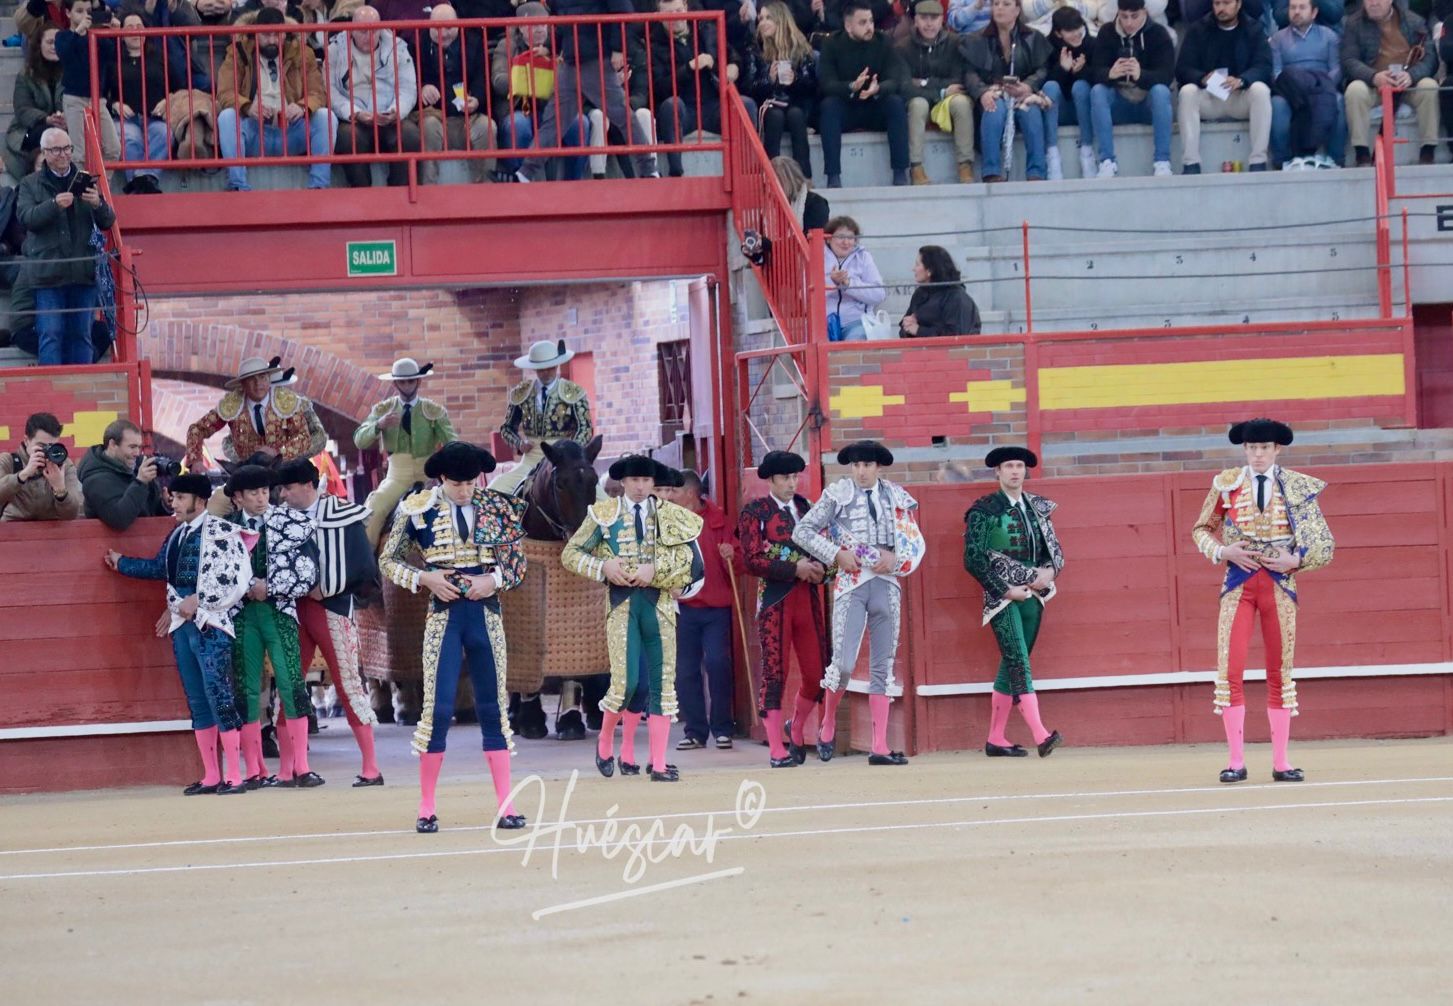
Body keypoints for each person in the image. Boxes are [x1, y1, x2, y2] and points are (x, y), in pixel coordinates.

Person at [380, 442, 530, 833]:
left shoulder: (497, 506)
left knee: (494, 708)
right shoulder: (418, 509)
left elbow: (516, 565)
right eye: (457, 483)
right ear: (441, 478)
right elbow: (388, 560)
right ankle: (426, 807)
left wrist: (491, 579)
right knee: (438, 710)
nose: (465, 490)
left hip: (485, 613)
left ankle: (506, 804)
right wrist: (424, 577)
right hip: (444, 614)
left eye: (470, 482)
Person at [1191, 419, 1334, 784]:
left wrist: (1296, 560)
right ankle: (1236, 761)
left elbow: (1323, 543)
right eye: (1251, 448)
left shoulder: (1296, 486)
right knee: (1230, 671)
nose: (1257, 454)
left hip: (1279, 586)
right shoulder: (1226, 484)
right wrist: (1223, 550)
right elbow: (1201, 529)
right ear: (1244, 450)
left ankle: (1282, 762)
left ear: (1276, 450)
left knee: (1279, 673)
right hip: (1238, 585)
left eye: (1264, 448)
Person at [104, 473, 252, 796]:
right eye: (174, 497)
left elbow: (240, 577)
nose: (174, 503)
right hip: (183, 627)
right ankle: (212, 775)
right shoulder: (177, 535)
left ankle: (235, 777)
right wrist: (121, 564)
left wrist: (199, 599)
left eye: (181, 498)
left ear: (200, 501)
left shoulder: (223, 533)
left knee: (220, 697)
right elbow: (160, 568)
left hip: (211, 625)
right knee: (198, 701)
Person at [562, 453, 704, 782]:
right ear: (622, 483)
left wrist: (655, 570)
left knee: (662, 686)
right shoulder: (604, 515)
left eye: (645, 481)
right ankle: (604, 741)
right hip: (622, 605)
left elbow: (688, 562)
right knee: (626, 684)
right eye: (634, 481)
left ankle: (657, 762)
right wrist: (603, 567)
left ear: (653, 483)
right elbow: (571, 553)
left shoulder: (671, 516)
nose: (640, 487)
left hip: (660, 606)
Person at [792, 440, 925, 766]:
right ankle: (828, 721)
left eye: (867, 465)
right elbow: (803, 531)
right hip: (852, 584)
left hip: (887, 583)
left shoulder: (896, 497)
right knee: (845, 665)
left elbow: (913, 541)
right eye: (856, 466)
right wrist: (836, 553)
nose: (861, 471)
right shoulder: (838, 495)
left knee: (883, 666)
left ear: (878, 467)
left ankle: (879, 746)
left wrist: (896, 559)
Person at [274, 457, 385, 786]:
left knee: (349, 683)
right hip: (294, 610)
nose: (282, 495)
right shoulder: (282, 519)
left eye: (288, 488)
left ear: (308, 485)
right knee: (288, 683)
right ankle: (288, 768)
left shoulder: (343, 514)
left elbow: (364, 569)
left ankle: (371, 768)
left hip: (332, 608)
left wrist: (332, 587)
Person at [222, 464, 322, 788]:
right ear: (238, 497)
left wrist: (272, 586)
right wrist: (246, 586)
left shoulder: (288, 522)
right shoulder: (225, 530)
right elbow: (216, 576)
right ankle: (254, 769)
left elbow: (308, 571)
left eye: (265, 491)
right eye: (254, 492)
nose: (262, 497)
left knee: (292, 684)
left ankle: (301, 768)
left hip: (278, 610)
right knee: (247, 689)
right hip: (242, 615)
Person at [962, 446, 1065, 759]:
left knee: (1012, 661)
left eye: (1020, 466)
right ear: (998, 472)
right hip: (1002, 599)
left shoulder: (1037, 507)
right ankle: (1041, 734)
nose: (1015, 471)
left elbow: (1053, 552)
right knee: (1019, 659)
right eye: (1009, 466)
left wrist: (1048, 572)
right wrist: (1005, 590)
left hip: (1034, 596)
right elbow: (973, 559)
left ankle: (995, 738)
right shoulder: (983, 510)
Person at [737, 450, 832, 765]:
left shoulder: (806, 507)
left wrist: (820, 567)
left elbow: (823, 544)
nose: (792, 483)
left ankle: (798, 725)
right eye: (785, 478)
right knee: (775, 671)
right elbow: (751, 560)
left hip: (808, 599)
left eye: (795, 477)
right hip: (775, 600)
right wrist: (795, 569)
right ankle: (776, 748)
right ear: (771, 480)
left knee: (817, 672)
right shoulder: (755, 512)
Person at [513, 0, 660, 183]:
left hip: (595, 59)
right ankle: (524, 174)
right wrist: (550, 47)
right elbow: (561, 22)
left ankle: (649, 169)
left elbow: (623, 14)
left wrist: (618, 49)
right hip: (571, 61)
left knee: (621, 116)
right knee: (555, 120)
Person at [15, 127, 115, 367]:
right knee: (51, 335)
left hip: (82, 273)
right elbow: (25, 218)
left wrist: (97, 203)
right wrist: (53, 205)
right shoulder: (30, 183)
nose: (63, 154)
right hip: (48, 275)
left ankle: (81, 390)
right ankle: (51, 394)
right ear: (46, 153)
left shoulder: (85, 179)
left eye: (67, 148)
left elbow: (108, 220)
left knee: (82, 334)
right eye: (57, 150)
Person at [215, 7, 337, 192]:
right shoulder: (237, 52)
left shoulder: (304, 53)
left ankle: (319, 186)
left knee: (326, 117)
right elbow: (225, 92)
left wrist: (302, 107)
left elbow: (318, 93)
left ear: (284, 34)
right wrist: (247, 107)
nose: (272, 41)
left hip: (291, 130)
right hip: (255, 131)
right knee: (227, 117)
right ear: (255, 33)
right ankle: (237, 186)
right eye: (266, 35)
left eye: (277, 35)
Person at [184, 356, 328, 504]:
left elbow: (304, 437)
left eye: (262, 377)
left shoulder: (286, 400)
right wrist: (195, 459)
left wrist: (278, 451)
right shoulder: (233, 404)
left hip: (284, 477)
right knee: (217, 508)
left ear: (269, 378)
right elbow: (197, 429)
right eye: (252, 379)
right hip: (247, 480)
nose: (258, 383)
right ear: (242, 384)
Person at [638, 0, 755, 179]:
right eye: (668, 15)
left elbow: (732, 54)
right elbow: (658, 88)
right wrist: (689, 68)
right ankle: (676, 173)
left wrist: (734, 65)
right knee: (671, 105)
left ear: (686, 7)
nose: (675, 18)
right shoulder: (654, 45)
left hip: (714, 106)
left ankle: (747, 170)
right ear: (658, 17)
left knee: (746, 104)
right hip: (684, 112)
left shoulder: (706, 30)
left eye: (678, 11)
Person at [673, 469, 742, 753]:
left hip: (715, 608)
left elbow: (739, 566)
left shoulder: (717, 521)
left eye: (675, 491)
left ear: (689, 494)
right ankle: (695, 731)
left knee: (717, 664)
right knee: (685, 671)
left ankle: (723, 728)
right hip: (684, 609)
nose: (670, 496)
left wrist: (732, 556)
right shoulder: (670, 522)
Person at [353, 357, 456, 546]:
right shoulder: (383, 409)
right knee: (373, 510)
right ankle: (366, 570)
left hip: (429, 474)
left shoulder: (433, 410)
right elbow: (360, 440)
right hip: (397, 477)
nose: (407, 385)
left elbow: (452, 442)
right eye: (402, 381)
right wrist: (379, 425)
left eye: (411, 381)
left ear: (419, 381)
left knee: (462, 506)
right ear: (395, 383)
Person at [489, 1, 590, 183]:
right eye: (534, 25)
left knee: (580, 122)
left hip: (554, 109)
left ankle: (573, 183)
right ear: (520, 27)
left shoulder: (558, 45)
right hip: (521, 109)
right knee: (517, 125)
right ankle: (522, 184)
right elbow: (498, 80)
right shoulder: (507, 46)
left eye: (544, 24)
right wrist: (529, 79)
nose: (540, 30)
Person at [817, 0, 910, 188]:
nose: (869, 27)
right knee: (829, 106)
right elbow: (827, 84)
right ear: (848, 26)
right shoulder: (832, 44)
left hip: (875, 104)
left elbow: (895, 77)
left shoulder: (883, 41)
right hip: (847, 105)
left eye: (871, 21)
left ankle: (900, 173)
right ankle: (833, 176)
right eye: (863, 23)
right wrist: (851, 86)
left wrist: (879, 89)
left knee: (895, 103)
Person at [1176, 0, 1273, 174]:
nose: (1221, 8)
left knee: (1261, 91)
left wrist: (1242, 80)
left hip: (1240, 96)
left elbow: (1264, 67)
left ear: (1238, 4)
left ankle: (1258, 161)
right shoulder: (1198, 29)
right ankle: (1191, 163)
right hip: (1210, 97)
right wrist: (1202, 78)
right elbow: (1183, 68)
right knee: (1187, 92)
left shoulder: (1254, 29)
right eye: (1217, 3)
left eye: (1227, 3)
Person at [329, 5, 421, 187]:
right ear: (352, 30)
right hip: (354, 119)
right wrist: (354, 113)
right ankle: (362, 194)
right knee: (348, 138)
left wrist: (396, 111)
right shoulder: (335, 50)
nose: (368, 36)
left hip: (390, 115)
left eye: (374, 31)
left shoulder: (398, 48)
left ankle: (399, 193)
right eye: (362, 31)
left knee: (409, 135)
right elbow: (331, 91)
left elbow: (408, 88)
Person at [1341, 0, 1439, 168]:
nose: (1373, 3)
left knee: (1429, 86)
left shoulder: (1414, 21)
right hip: (1373, 84)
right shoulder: (1353, 23)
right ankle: (1362, 153)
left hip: (1407, 84)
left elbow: (1430, 59)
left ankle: (1428, 150)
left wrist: (1411, 75)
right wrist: (1374, 76)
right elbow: (1349, 60)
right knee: (1354, 90)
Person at [963, 0, 1052, 184]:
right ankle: (991, 171)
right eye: (996, 4)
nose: (999, 8)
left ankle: (1036, 173)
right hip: (993, 91)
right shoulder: (977, 39)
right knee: (993, 109)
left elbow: (1043, 69)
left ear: (1017, 10)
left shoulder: (1033, 37)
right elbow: (969, 73)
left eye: (1006, 4)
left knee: (1031, 113)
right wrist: (982, 93)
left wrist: (1028, 86)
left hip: (1022, 94)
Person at [493, 339, 595, 496]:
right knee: (494, 489)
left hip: (565, 457)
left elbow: (585, 428)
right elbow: (507, 428)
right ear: (534, 369)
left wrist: (572, 449)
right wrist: (519, 444)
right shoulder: (522, 393)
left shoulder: (573, 392)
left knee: (602, 501)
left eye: (550, 368)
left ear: (556, 366)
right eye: (541, 369)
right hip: (532, 457)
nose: (546, 373)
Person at [1087, 0, 1174, 179]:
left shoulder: (1158, 34)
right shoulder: (1106, 33)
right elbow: (1094, 72)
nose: (1128, 23)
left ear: (1144, 12)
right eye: (1124, 16)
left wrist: (1141, 75)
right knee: (1098, 91)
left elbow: (1166, 76)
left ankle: (1162, 161)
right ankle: (1107, 161)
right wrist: (1109, 74)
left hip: (1147, 105)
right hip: (1119, 103)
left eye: (1134, 16)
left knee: (1161, 92)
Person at [414, 4, 495, 186]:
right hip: (435, 116)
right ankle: (429, 190)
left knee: (488, 127)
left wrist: (477, 100)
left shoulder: (474, 43)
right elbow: (410, 79)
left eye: (449, 28)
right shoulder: (418, 43)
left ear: (458, 25)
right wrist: (422, 88)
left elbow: (483, 79)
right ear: (429, 26)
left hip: (469, 115)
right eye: (436, 28)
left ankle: (487, 190)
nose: (443, 33)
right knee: (428, 128)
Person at [898, 0, 973, 185]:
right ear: (915, 20)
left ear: (942, 20)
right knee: (917, 105)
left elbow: (958, 81)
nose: (929, 23)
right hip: (923, 99)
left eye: (934, 18)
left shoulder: (955, 43)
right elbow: (905, 85)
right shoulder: (903, 47)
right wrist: (940, 91)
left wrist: (922, 83)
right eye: (924, 18)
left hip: (947, 99)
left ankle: (965, 165)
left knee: (961, 102)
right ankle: (916, 167)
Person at [100, 9, 174, 195]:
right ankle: (145, 182)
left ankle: (139, 181)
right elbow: (100, 94)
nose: (135, 31)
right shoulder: (112, 61)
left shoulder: (160, 57)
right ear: (122, 34)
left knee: (164, 134)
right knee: (129, 138)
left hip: (155, 118)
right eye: (130, 27)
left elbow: (179, 87)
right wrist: (114, 104)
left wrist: (167, 101)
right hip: (125, 119)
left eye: (139, 26)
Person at [1269, 0, 1344, 170]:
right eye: (1293, 8)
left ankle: (1336, 158)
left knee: (1338, 101)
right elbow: (1276, 73)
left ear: (1314, 12)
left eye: (1302, 7)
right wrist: (1299, 89)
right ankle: (1281, 160)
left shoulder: (1329, 36)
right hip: (1289, 91)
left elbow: (1336, 69)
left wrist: (1319, 88)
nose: (1296, 12)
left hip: (1322, 88)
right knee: (1277, 104)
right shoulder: (1278, 39)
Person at [751, 1, 818, 181]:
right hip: (769, 106)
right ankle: (769, 176)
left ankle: (804, 178)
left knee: (796, 114)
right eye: (761, 18)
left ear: (780, 20)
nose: (763, 22)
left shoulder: (800, 47)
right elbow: (749, 86)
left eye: (768, 18)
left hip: (796, 104)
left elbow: (812, 85)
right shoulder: (756, 48)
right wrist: (769, 80)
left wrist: (795, 79)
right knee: (775, 116)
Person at [54, 0, 121, 173]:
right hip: (74, 99)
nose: (85, 15)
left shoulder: (96, 36)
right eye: (79, 11)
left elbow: (112, 56)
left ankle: (99, 190)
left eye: (88, 11)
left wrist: (114, 33)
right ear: (68, 13)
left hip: (97, 99)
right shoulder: (62, 36)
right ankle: (81, 193)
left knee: (113, 148)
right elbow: (64, 54)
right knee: (79, 153)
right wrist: (78, 32)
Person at [78, 418, 172, 530]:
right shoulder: (94, 480)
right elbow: (119, 519)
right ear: (112, 444)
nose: (137, 453)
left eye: (139, 447)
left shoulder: (137, 469)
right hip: (110, 546)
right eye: (132, 447)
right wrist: (140, 482)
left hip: (145, 543)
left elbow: (149, 513)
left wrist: (164, 505)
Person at [5, 26, 65, 183]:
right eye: (50, 42)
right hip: (28, 129)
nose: (54, 46)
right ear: (39, 45)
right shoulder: (26, 74)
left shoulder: (70, 71)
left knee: (60, 136)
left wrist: (63, 116)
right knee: (50, 135)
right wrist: (46, 119)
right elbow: (22, 109)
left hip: (63, 125)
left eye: (58, 42)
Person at [1041, 5, 1094, 180]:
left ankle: (1087, 152)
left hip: (1086, 109)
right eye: (1070, 31)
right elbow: (1041, 83)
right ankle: (1052, 154)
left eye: (1079, 28)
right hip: (1059, 110)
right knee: (1050, 87)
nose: (1077, 34)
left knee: (1081, 86)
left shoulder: (1091, 44)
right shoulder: (1046, 47)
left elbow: (1101, 78)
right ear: (1058, 33)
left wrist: (1082, 71)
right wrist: (1062, 70)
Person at [0, 411, 82, 521]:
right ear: (26, 441)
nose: (47, 451)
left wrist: (60, 489)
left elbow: (71, 515)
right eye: (41, 446)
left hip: (52, 533)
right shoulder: (9, 461)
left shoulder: (64, 465)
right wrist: (23, 475)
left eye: (52, 446)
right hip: (12, 531)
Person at [823, 216, 885, 342]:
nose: (846, 242)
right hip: (824, 323)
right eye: (841, 237)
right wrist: (832, 282)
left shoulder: (863, 257)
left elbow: (879, 294)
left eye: (850, 238)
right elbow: (804, 296)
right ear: (828, 239)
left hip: (857, 322)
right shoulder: (817, 256)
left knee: (855, 342)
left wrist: (848, 284)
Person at [899, 243, 980, 338]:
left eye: (917, 264)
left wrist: (918, 330)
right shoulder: (920, 294)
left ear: (930, 270)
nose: (913, 269)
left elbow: (956, 336)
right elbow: (904, 330)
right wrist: (907, 325)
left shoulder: (956, 297)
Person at [772, 155, 829, 234]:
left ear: (788, 180)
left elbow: (813, 236)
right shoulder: (770, 207)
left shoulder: (816, 203)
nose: (767, 184)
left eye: (772, 181)